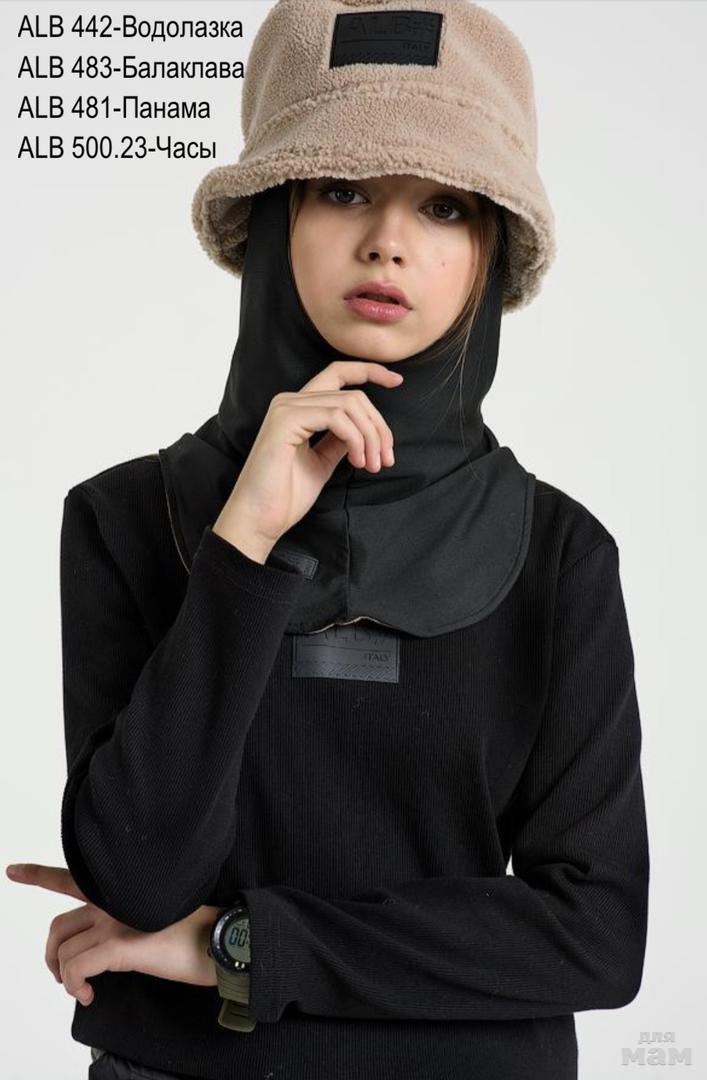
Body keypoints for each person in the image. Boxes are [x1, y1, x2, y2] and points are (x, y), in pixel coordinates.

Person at [5, 2, 649, 1079]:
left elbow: (595, 939)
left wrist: (238, 947)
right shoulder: (122, 518)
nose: (388, 239)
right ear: (274, 218)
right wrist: (243, 543)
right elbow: (141, 874)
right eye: (342, 189)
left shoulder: (559, 555)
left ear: (489, 253)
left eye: (443, 205)